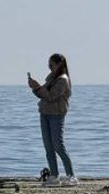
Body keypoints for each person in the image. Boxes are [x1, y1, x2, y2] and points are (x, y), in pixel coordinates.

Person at [27, 53, 76, 185]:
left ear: (59, 65)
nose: (49, 67)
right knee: (48, 146)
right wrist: (35, 88)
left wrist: (37, 87)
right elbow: (43, 94)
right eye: (48, 65)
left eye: (51, 65)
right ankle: (54, 175)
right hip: (45, 113)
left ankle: (71, 175)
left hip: (56, 114)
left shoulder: (63, 80)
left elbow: (51, 97)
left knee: (58, 145)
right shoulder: (52, 78)